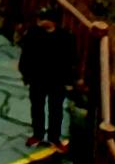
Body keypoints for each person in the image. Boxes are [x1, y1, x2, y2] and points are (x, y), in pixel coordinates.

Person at [20, 11, 78, 145]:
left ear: (53, 21)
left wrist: (69, 81)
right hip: (37, 78)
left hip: (57, 80)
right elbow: (26, 56)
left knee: (56, 110)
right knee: (37, 108)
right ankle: (37, 134)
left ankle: (54, 137)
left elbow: (71, 61)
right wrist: (26, 74)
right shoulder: (33, 34)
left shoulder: (66, 38)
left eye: (44, 19)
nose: (41, 22)